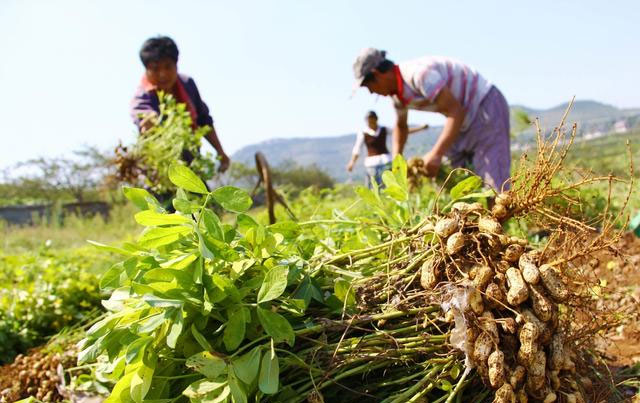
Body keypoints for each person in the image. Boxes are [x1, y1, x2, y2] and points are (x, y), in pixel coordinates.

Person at [352, 48, 511, 190]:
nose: (372, 93)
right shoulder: (397, 97)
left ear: (377, 74)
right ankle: (470, 221)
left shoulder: (418, 75)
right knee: (454, 179)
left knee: (495, 185)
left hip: (485, 107)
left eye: (368, 87)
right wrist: (397, 163)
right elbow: (401, 127)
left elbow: (455, 111)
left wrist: (436, 154)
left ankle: (498, 221)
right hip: (462, 120)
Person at [130, 36, 230, 172]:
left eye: (168, 67)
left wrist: (220, 152)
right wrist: (150, 121)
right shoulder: (143, 97)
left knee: (200, 191)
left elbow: (204, 121)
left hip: (192, 164)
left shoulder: (187, 84)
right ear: (146, 70)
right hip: (160, 169)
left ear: (176, 65)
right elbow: (143, 116)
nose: (162, 74)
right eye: (155, 69)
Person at [347, 110, 428, 188]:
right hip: (371, 164)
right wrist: (352, 162)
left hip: (386, 161)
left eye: (372, 120)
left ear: (376, 119)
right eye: (369, 121)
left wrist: (420, 128)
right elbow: (357, 148)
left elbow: (401, 132)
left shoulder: (384, 129)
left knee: (389, 186)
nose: (371, 122)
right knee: (374, 187)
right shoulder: (363, 133)